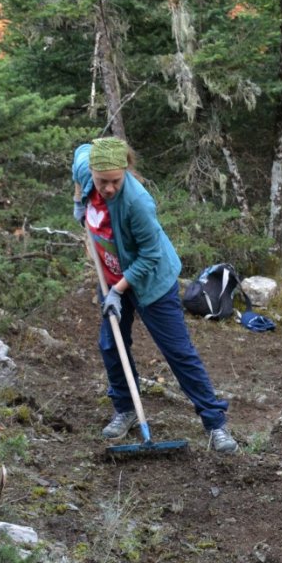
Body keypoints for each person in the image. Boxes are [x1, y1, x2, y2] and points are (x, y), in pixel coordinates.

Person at [72, 137, 237, 454]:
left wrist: (119, 291)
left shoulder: (137, 203)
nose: (107, 188)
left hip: (151, 283)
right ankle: (125, 409)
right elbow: (79, 152)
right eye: (101, 180)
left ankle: (215, 424)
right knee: (111, 345)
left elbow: (149, 256)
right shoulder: (85, 170)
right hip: (110, 278)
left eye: (115, 181)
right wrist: (79, 201)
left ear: (126, 171)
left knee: (178, 352)